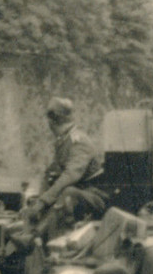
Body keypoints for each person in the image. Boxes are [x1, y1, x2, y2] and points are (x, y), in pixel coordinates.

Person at [27, 97, 106, 244]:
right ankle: (34, 236)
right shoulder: (64, 140)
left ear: (52, 121)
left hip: (94, 195)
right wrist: (39, 198)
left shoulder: (79, 141)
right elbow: (52, 172)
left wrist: (43, 201)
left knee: (67, 193)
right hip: (78, 193)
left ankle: (34, 235)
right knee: (57, 194)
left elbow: (70, 175)